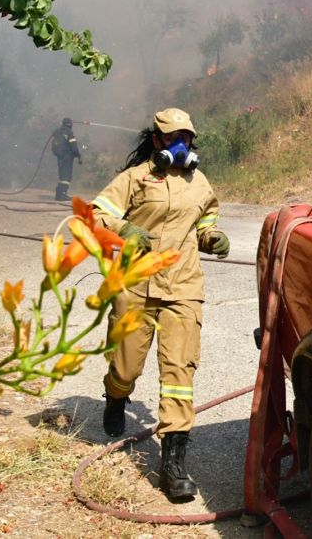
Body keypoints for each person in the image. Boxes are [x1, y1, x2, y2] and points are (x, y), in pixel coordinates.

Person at [88, 108, 231, 501]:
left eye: (185, 136)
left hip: (183, 287)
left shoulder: (198, 182)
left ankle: (173, 465)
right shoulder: (134, 179)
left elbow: (206, 220)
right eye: (170, 137)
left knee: (179, 373)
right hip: (135, 285)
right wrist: (124, 228)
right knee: (126, 364)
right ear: (156, 141)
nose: (179, 144)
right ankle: (116, 396)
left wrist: (212, 238)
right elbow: (96, 216)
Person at [50, 117, 82, 201]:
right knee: (66, 176)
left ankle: (59, 194)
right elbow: (74, 147)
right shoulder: (69, 133)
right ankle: (62, 194)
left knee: (62, 175)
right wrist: (78, 156)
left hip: (60, 157)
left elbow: (54, 146)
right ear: (70, 124)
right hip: (67, 157)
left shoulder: (57, 132)